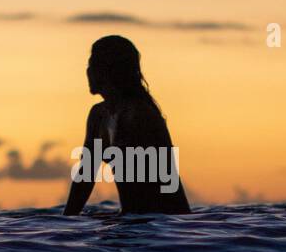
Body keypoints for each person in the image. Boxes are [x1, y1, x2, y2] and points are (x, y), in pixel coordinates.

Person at [63, 36, 192, 215]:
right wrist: (68, 221)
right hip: (135, 220)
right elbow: (85, 176)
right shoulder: (99, 115)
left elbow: (145, 188)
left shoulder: (138, 115)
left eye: (91, 64)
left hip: (164, 223)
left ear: (107, 70)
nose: (88, 71)